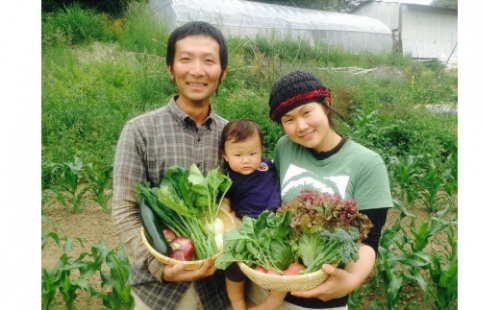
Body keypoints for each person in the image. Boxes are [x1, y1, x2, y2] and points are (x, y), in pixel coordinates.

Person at [246, 70, 393, 310]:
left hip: (320, 299)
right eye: (289, 119)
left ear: (326, 105)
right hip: (269, 287)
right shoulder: (285, 147)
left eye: (306, 112)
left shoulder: (368, 163)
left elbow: (370, 240)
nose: (301, 126)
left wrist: (350, 281)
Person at [112, 21, 232, 310]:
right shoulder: (140, 130)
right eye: (186, 59)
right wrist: (160, 267)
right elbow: (125, 208)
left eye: (209, 61)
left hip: (220, 290)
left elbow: (237, 201)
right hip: (160, 293)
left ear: (223, 72)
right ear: (170, 68)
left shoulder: (232, 135)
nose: (197, 70)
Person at [218, 118, 285, 310]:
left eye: (253, 153)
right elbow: (225, 200)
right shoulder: (227, 177)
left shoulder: (268, 167)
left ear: (262, 150)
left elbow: (279, 185)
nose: (246, 160)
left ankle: (273, 301)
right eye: (238, 155)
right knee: (232, 263)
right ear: (225, 154)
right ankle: (237, 302)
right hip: (244, 225)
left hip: (272, 222)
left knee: (283, 263)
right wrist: (227, 214)